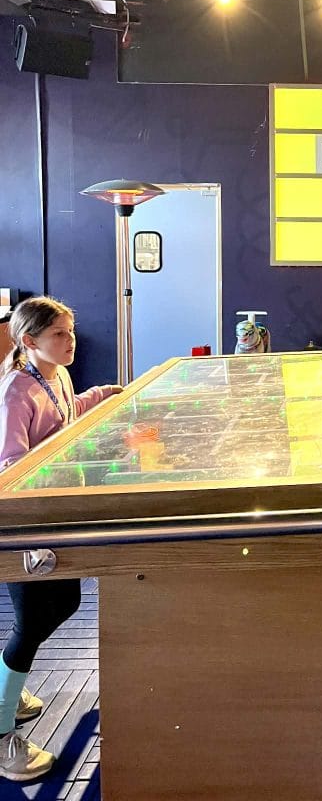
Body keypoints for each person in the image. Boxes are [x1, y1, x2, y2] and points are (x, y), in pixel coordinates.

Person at [0, 297, 121, 782]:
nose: (70, 341)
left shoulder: (58, 375)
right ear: (29, 341)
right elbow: (10, 464)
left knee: (64, 602)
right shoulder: (15, 392)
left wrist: (101, 396)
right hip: (25, 524)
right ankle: (2, 735)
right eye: (59, 334)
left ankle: (6, 686)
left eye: (71, 331)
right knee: (31, 622)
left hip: (54, 518)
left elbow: (65, 414)